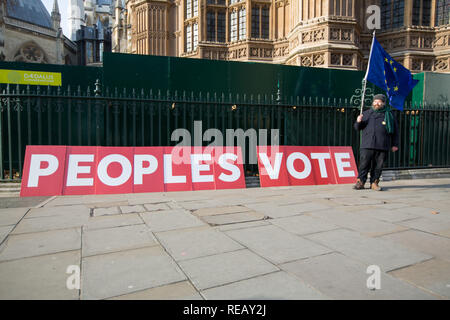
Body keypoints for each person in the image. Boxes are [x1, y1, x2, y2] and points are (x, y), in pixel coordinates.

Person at [353, 94, 399, 191]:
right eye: (375, 101)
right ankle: (360, 181)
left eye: (379, 101)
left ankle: (374, 182)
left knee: (378, 166)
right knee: (364, 164)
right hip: (367, 144)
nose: (376, 103)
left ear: (383, 103)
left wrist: (395, 144)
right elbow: (357, 128)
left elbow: (395, 131)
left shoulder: (389, 115)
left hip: (382, 145)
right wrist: (358, 121)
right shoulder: (366, 114)